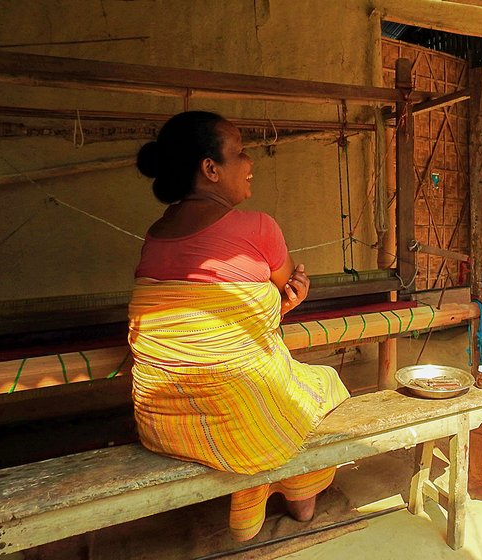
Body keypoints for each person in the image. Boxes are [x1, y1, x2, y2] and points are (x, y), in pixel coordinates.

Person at [128, 111, 350, 541]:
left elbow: (217, 320)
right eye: (240, 152)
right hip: (235, 424)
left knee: (264, 387)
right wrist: (293, 295)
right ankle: (299, 501)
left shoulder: (155, 236)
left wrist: (266, 309)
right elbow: (279, 289)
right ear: (210, 169)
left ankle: (262, 492)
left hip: (162, 420)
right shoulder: (257, 227)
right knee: (322, 384)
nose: (251, 162)